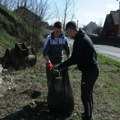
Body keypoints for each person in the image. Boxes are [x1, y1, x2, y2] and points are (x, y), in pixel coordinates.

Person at [56, 21, 99, 120]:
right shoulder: (83, 36)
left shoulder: (80, 39)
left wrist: (60, 66)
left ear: (71, 30)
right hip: (92, 69)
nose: (68, 35)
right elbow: (89, 55)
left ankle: (88, 117)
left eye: (67, 32)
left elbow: (74, 59)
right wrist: (81, 64)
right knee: (88, 94)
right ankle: (88, 114)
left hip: (90, 71)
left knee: (85, 96)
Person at [43, 21, 70, 88]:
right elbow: (45, 53)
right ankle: (51, 94)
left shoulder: (64, 39)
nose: (58, 33)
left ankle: (59, 95)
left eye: (60, 31)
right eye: (56, 31)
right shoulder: (49, 39)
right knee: (50, 81)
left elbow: (68, 51)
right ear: (53, 29)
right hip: (50, 62)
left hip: (60, 63)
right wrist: (49, 64)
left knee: (60, 81)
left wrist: (68, 60)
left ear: (62, 30)